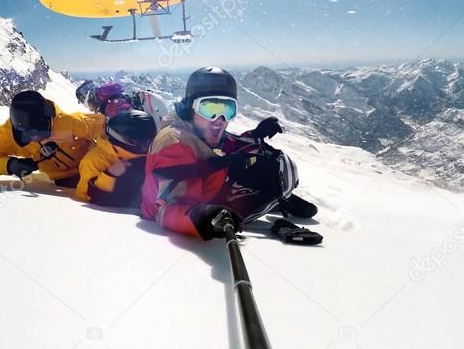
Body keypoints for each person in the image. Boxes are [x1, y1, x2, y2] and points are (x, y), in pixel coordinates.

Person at [140, 67, 318, 240]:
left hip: (206, 187)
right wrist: (204, 217)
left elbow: (229, 143)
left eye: (227, 110)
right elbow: (167, 210)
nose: (219, 120)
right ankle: (270, 197)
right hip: (195, 206)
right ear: (190, 107)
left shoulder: (197, 129)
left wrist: (254, 136)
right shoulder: (174, 142)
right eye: (209, 109)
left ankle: (275, 195)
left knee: (262, 162)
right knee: (257, 171)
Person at [0, 90, 105, 185]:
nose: (37, 139)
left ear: (49, 119)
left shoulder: (67, 122)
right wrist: (10, 165)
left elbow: (106, 128)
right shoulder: (7, 136)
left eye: (43, 133)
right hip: (62, 180)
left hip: (93, 168)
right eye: (30, 135)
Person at [75, 109, 157, 207]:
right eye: (145, 143)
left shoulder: (154, 153)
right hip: (116, 214)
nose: (148, 147)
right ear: (125, 141)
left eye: (152, 140)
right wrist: (109, 174)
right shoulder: (94, 161)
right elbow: (87, 195)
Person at [76, 80, 171, 129]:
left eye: (87, 104)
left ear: (91, 98)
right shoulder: (113, 101)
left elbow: (131, 128)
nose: (90, 109)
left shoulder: (112, 107)